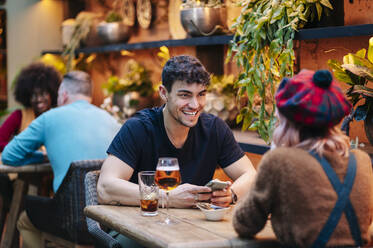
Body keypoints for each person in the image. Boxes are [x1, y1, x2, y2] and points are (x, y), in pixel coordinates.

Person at [233, 69, 373, 247]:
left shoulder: (280, 161)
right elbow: (365, 221)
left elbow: (244, 223)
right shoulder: (361, 161)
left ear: (286, 119)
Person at [98, 55, 256, 209]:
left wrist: (232, 195)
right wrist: (167, 197)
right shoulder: (138, 128)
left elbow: (251, 174)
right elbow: (105, 188)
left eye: (201, 94)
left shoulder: (215, 129)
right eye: (185, 95)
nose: (195, 105)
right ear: (164, 93)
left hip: (191, 230)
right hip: (139, 225)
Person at [2, 70, 121, 248]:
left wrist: (41, 156)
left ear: (63, 94)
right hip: (108, 221)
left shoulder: (49, 118)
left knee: (25, 221)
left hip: (69, 220)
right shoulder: (113, 122)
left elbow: (9, 156)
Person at [0, 62, 61, 151]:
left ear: (52, 93)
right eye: (34, 95)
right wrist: (21, 149)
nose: (39, 99)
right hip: (27, 164)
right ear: (27, 96)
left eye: (43, 94)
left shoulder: (58, 116)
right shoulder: (19, 116)